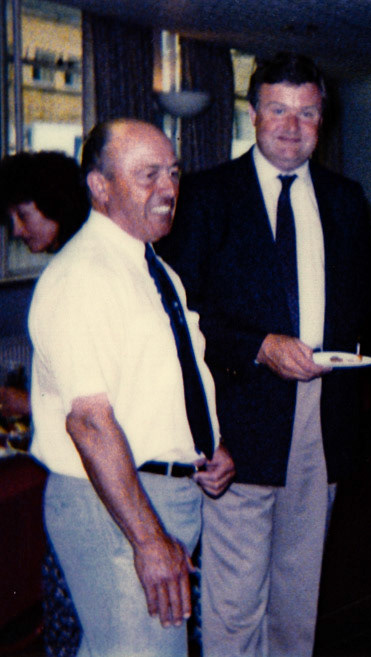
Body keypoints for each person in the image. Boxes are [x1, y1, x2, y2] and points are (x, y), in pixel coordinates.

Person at [156, 52, 371, 657]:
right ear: (254, 115)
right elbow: (182, 316)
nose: (291, 125)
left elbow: (356, 307)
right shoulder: (203, 196)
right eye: (278, 109)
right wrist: (259, 346)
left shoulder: (347, 200)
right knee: (234, 598)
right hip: (238, 421)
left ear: (321, 119)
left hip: (322, 417)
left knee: (300, 592)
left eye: (307, 112)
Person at [27, 118, 235, 657]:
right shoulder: (84, 276)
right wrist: (148, 539)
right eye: (147, 175)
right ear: (100, 187)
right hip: (114, 504)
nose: (168, 188)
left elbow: (159, 383)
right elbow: (90, 423)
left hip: (161, 493)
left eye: (172, 172)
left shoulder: (152, 268)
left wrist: (204, 448)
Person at [0, 150, 89, 657]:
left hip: (83, 484)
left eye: (23, 214)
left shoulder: (71, 279)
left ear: (54, 204)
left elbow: (91, 403)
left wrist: (25, 402)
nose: (15, 230)